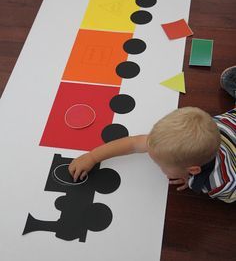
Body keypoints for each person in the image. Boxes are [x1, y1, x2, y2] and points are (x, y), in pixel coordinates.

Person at [69, 66, 236, 203]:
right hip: (231, 121)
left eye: (161, 166)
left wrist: (193, 181)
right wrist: (92, 157)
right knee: (228, 78)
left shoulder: (221, 183)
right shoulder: (187, 137)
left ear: (193, 169)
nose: (157, 166)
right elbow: (133, 143)